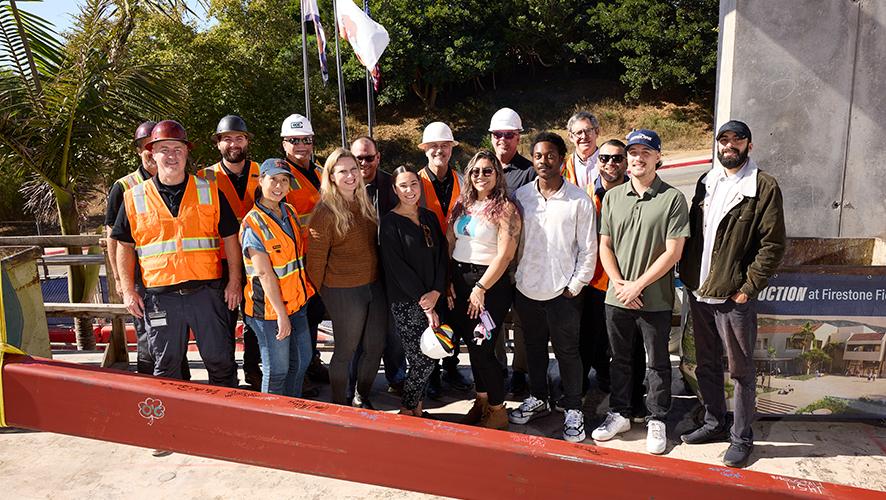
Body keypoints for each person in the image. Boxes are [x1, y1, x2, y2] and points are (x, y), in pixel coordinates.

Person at [679, 120, 786, 468]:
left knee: (740, 371)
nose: (729, 145)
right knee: (706, 363)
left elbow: (772, 245)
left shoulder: (763, 186)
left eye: (737, 140)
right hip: (700, 292)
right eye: (723, 140)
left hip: (732, 297)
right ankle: (714, 423)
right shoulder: (707, 181)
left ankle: (741, 438)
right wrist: (688, 278)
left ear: (749, 146)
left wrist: (746, 289)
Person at [113, 120, 240, 388]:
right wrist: (127, 290)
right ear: (152, 153)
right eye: (164, 150)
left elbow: (231, 237)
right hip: (161, 298)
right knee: (166, 366)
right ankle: (175, 415)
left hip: (206, 294)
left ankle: (225, 411)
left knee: (220, 362)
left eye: (177, 149)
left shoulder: (209, 191)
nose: (171, 155)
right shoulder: (134, 197)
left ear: (186, 153)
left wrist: (235, 282)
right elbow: (124, 245)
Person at [591, 129, 690, 456]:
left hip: (655, 298)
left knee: (657, 362)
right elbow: (605, 246)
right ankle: (620, 413)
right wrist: (620, 284)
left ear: (658, 157)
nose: (637, 158)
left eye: (645, 153)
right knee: (619, 359)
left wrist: (638, 284)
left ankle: (657, 418)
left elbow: (673, 252)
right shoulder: (613, 197)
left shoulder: (672, 198)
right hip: (617, 297)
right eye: (633, 152)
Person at [508, 132, 597, 443]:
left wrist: (576, 285)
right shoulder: (521, 197)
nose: (543, 161)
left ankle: (573, 408)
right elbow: (511, 243)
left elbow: (588, 249)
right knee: (533, 348)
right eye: (538, 156)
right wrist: (516, 279)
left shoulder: (579, 200)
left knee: (568, 352)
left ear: (561, 159)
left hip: (564, 293)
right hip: (527, 290)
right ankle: (539, 397)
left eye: (550, 155)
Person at [306, 148, 386, 407]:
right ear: (331, 176)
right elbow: (315, 263)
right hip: (342, 290)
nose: (351, 175)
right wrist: (326, 296)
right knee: (345, 351)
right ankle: (339, 404)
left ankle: (362, 396)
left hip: (373, 285)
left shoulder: (364, 201)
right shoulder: (325, 212)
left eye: (354, 169)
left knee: (375, 347)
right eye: (343, 171)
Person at [447, 150, 521, 430]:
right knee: (471, 345)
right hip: (460, 278)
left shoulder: (506, 209)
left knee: (482, 348)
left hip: (489, 285)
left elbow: (505, 255)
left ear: (497, 175)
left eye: (487, 170)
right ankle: (481, 401)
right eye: (475, 171)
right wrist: (447, 278)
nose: (481, 176)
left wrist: (481, 287)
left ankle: (498, 409)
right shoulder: (462, 203)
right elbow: (450, 241)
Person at [579, 140, 647, 419]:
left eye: (617, 158)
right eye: (605, 158)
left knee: (631, 346)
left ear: (626, 163)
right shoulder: (585, 195)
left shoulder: (637, 194)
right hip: (593, 283)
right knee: (588, 341)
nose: (610, 164)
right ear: (597, 161)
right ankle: (584, 389)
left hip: (627, 283)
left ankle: (635, 397)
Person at [240, 159, 315, 397]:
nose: (279, 186)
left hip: (297, 303)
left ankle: (291, 408)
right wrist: (282, 315)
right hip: (270, 311)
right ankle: (270, 414)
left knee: (302, 360)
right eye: (273, 179)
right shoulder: (253, 223)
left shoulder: (289, 211)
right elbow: (264, 273)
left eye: (284, 180)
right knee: (277, 371)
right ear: (261, 181)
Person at [198, 115, 263, 389]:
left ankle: (253, 369)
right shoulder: (203, 178)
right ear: (218, 144)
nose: (233, 144)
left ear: (247, 141)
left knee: (257, 319)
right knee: (221, 323)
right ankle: (226, 376)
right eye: (227, 139)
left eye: (239, 138)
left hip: (257, 259)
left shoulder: (263, 172)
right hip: (220, 262)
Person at [379, 167, 449, 417]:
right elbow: (398, 269)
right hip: (407, 302)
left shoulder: (429, 217)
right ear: (395, 190)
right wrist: (426, 302)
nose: (409, 190)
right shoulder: (389, 223)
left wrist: (437, 291)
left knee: (432, 354)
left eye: (413, 184)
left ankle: (417, 409)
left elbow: (442, 256)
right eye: (403, 186)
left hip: (434, 297)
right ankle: (407, 409)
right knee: (422, 359)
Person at [417, 121, 472, 395]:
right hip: (425, 263)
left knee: (454, 317)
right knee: (431, 318)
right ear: (424, 149)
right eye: (434, 146)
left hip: (455, 259)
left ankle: (451, 367)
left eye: (445, 145)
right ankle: (431, 373)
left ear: (452, 148)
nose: (439, 150)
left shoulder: (463, 181)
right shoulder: (415, 183)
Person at [349, 135, 407, 396]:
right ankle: (358, 384)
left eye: (369, 157)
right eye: (358, 158)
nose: (363, 163)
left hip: (390, 272)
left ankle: (397, 377)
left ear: (378, 157)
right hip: (356, 274)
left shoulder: (392, 185)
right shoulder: (344, 186)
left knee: (394, 332)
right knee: (359, 334)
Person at [280, 113, 329, 392]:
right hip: (295, 259)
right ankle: (299, 370)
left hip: (320, 257)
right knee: (298, 315)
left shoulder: (321, 172)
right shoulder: (281, 175)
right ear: (284, 143)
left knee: (314, 314)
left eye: (306, 140)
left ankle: (311, 362)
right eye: (294, 140)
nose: (301, 145)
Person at [488, 107, 534, 397]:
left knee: (521, 320)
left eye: (509, 134)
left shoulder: (529, 172)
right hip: (488, 259)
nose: (503, 139)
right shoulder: (482, 168)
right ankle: (497, 368)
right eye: (498, 134)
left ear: (518, 137)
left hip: (519, 260)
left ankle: (519, 372)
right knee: (490, 319)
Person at [563, 111, 601, 190]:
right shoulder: (563, 166)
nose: (584, 136)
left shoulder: (610, 162)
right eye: (579, 133)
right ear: (571, 137)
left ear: (597, 132)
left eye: (588, 131)